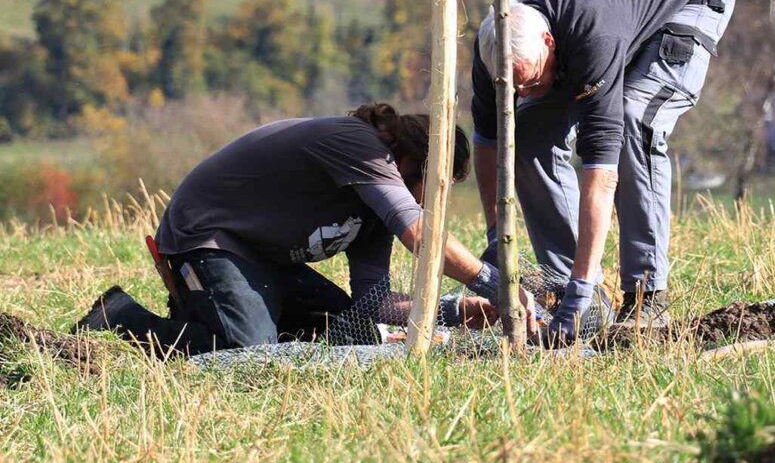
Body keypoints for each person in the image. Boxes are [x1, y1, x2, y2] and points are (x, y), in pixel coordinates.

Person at [75, 103, 536, 355]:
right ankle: (122, 316)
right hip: (207, 239)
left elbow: (373, 302)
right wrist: (494, 283)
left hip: (263, 259)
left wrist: (457, 312)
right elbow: (418, 235)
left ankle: (205, 314)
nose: (425, 202)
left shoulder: (374, 207)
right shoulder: (361, 146)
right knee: (245, 350)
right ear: (414, 162)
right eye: (430, 188)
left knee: (349, 333)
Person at [472, 0, 735, 342]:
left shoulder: (593, 38)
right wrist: (493, 236)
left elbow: (601, 173)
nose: (522, 93)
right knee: (528, 132)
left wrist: (584, 282)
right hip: (612, 16)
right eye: (514, 88)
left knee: (634, 118)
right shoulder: (495, 50)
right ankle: (571, 286)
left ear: (548, 43)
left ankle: (645, 294)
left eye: (532, 80)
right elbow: (489, 144)